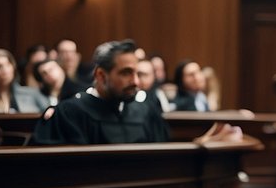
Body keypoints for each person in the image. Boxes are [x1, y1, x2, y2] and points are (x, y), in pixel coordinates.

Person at [32, 39, 172, 144]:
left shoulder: (146, 110)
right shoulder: (70, 113)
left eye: (137, 73)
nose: (136, 82)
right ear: (101, 75)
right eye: (126, 73)